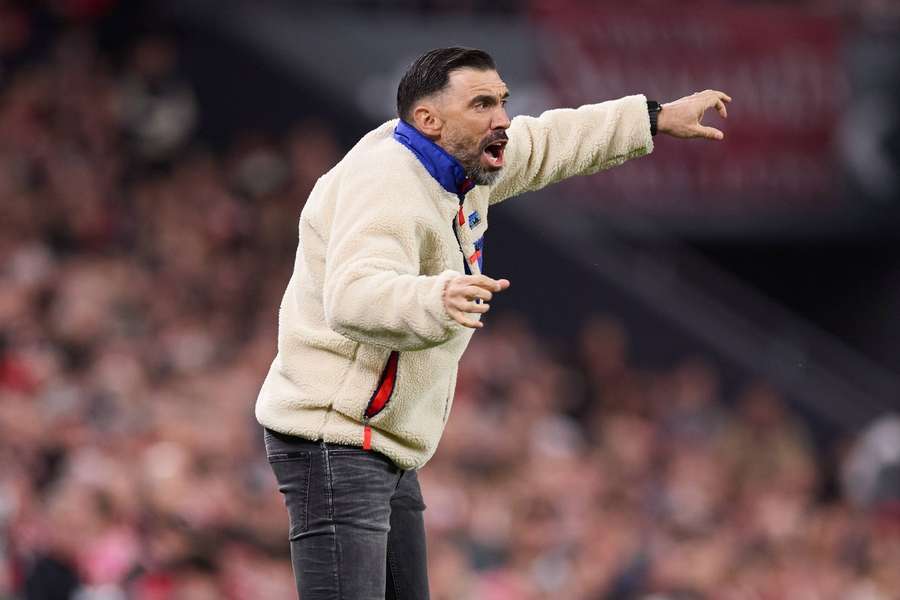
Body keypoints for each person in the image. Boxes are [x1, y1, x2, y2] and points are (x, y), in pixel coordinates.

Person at [256, 46, 731, 599]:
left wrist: (652, 119)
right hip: (333, 439)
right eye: (482, 104)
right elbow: (354, 296)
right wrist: (436, 297)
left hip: (376, 442)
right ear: (428, 120)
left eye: (502, 101)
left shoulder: (460, 161)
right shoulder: (385, 182)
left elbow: (552, 141)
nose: (501, 118)